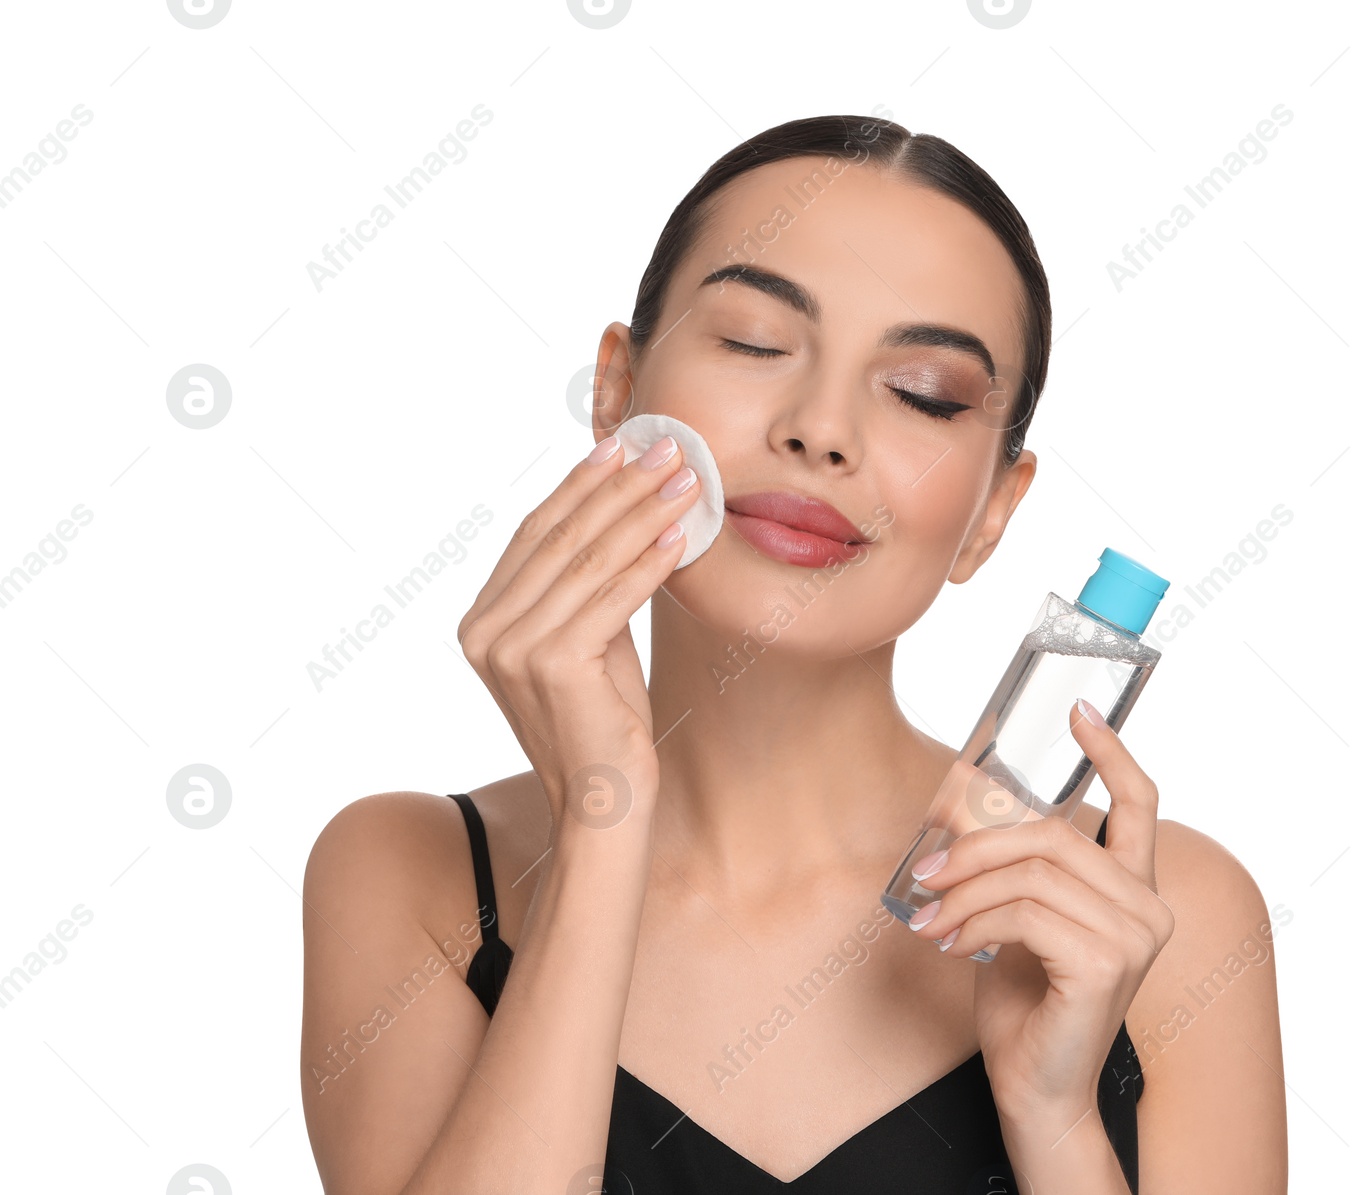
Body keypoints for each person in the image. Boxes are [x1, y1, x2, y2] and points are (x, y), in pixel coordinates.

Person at [300, 113, 1288, 1194]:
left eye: (924, 393)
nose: (822, 429)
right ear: (618, 394)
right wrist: (604, 816)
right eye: (755, 343)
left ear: (993, 513)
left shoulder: (1161, 915)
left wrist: (1053, 1119)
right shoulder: (412, 875)